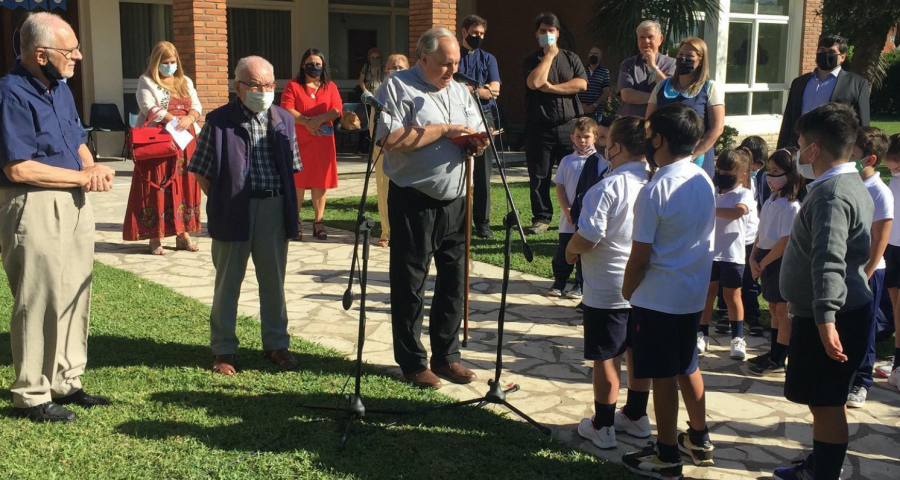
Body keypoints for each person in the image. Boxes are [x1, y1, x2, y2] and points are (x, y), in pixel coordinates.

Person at [0, 12, 116, 423]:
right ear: (41, 53)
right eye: (71, 51)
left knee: (73, 291)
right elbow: (19, 167)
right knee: (37, 298)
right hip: (34, 204)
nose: (79, 57)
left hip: (73, 201)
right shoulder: (11, 93)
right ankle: (31, 393)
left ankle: (66, 380)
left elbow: (77, 138)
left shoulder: (61, 88)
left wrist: (92, 167)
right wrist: (81, 176)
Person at [374, 28, 488, 390]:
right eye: (444, 64)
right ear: (423, 58)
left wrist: (476, 143)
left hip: (455, 197)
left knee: (453, 281)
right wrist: (441, 130)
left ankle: (447, 355)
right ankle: (412, 361)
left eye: (455, 63)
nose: (451, 70)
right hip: (414, 198)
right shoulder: (397, 87)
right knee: (410, 283)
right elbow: (388, 139)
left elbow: (474, 128)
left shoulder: (459, 90)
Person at [774, 103, 872, 480]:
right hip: (836, 311)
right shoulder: (848, 183)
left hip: (832, 317)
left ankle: (825, 473)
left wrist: (826, 318)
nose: (798, 151)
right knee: (825, 401)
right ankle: (823, 462)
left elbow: (828, 258)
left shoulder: (832, 194)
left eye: (800, 144)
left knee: (827, 402)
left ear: (814, 149)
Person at [187, 56, 303, 376]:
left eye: (268, 85)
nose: (263, 91)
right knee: (227, 283)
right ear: (238, 87)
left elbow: (292, 169)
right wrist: (225, 198)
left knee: (273, 282)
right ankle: (224, 350)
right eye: (255, 85)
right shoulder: (219, 120)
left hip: (273, 208)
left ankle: (276, 345)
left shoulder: (283, 120)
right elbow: (201, 170)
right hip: (233, 208)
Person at [621, 104, 715, 478]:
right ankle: (699, 436)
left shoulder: (655, 188)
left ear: (658, 139)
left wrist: (628, 290)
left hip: (658, 298)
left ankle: (666, 454)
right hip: (691, 295)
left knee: (663, 376)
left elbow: (640, 256)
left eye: (649, 133)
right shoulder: (702, 179)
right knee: (687, 365)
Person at [566, 116, 653, 450]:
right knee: (636, 351)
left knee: (607, 355)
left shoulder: (608, 186)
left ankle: (603, 424)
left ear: (615, 146)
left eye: (606, 140)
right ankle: (635, 415)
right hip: (644, 284)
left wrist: (571, 251)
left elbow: (589, 235)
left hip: (608, 285)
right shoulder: (654, 181)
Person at [125, 41, 203, 255]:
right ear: (156, 62)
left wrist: (189, 118)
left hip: (185, 142)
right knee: (157, 186)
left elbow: (197, 105)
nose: (170, 65)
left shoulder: (185, 81)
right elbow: (148, 106)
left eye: (173, 61)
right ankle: (154, 237)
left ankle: (183, 234)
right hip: (159, 141)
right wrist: (174, 120)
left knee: (184, 186)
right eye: (166, 62)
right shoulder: (146, 81)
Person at [522, 12, 588, 235]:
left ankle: (576, 213)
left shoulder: (571, 58)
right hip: (540, 127)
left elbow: (581, 84)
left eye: (551, 31)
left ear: (558, 33)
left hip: (570, 126)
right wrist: (548, 56)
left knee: (575, 172)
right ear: (536, 34)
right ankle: (542, 217)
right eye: (543, 31)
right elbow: (534, 82)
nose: (547, 35)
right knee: (539, 175)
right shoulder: (532, 60)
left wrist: (552, 89)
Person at [847, 127, 894, 409]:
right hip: (846, 266)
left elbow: (880, 239)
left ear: (870, 159)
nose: (848, 159)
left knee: (865, 328)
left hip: (869, 272)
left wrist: (866, 273)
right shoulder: (851, 185)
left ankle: (862, 381)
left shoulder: (880, 192)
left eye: (853, 155)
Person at [747, 148, 804, 377]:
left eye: (776, 171)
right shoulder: (771, 199)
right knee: (772, 307)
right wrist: (753, 257)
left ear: (790, 174)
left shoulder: (791, 206)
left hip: (778, 260)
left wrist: (764, 262)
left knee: (782, 310)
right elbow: (761, 232)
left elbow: (784, 241)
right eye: (769, 171)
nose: (770, 177)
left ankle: (779, 358)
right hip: (763, 257)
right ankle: (772, 352)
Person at [698, 149, 754, 361]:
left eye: (727, 171)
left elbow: (738, 212)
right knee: (708, 294)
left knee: (732, 296)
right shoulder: (713, 192)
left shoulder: (744, 194)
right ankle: (702, 333)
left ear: (741, 175)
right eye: (719, 170)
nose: (722, 174)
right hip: (709, 252)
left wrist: (709, 209)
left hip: (732, 254)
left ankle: (737, 338)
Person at [281, 49, 343, 241]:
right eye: (310, 63)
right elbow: (287, 108)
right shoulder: (293, 85)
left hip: (323, 141)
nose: (314, 67)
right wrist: (309, 122)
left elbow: (337, 109)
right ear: (302, 64)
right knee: (299, 181)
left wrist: (321, 118)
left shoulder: (329, 86)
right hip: (300, 140)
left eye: (318, 64)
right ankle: (296, 221)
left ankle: (319, 222)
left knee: (320, 181)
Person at [646, 37, 724, 177]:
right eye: (681, 55)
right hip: (664, 159)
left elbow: (717, 128)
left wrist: (691, 156)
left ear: (700, 61)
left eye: (690, 56)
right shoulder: (661, 86)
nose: (683, 59)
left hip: (697, 161)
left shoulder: (710, 87)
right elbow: (648, 123)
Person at [777, 35, 870, 149]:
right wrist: (781, 151)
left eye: (831, 51)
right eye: (822, 50)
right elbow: (788, 119)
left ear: (842, 57)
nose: (825, 54)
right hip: (799, 148)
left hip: (834, 150)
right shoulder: (799, 83)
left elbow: (863, 125)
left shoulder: (856, 84)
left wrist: (860, 157)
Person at [549, 117, 606, 301]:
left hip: (586, 216)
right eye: (579, 136)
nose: (582, 140)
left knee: (583, 254)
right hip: (569, 218)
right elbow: (560, 187)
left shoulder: (599, 161)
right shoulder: (567, 161)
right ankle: (559, 281)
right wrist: (566, 210)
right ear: (572, 137)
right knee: (563, 250)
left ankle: (579, 284)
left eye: (587, 136)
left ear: (595, 138)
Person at [458, 14, 501, 239]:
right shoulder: (454, 56)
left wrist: (471, 90)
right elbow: (451, 89)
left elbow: (495, 90)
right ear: (464, 32)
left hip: (485, 117)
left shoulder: (488, 59)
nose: (479, 37)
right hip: (458, 118)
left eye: (482, 34)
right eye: (475, 33)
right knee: (458, 171)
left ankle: (482, 223)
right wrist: (481, 90)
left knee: (483, 173)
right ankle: (458, 220)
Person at [372, 53, 410, 248]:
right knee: (384, 190)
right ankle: (386, 232)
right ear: (386, 71)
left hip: (408, 150)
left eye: (401, 68)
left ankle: (404, 230)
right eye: (393, 67)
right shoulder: (380, 93)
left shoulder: (412, 92)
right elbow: (374, 125)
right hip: (384, 151)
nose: (396, 71)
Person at [617, 20, 676, 118]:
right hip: (631, 124)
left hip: (659, 122)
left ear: (660, 39)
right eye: (642, 38)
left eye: (650, 37)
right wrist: (658, 97)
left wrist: (653, 66)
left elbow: (668, 91)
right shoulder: (628, 64)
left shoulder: (671, 64)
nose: (646, 41)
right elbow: (627, 95)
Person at [879, 134, 900, 391]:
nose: (893, 170)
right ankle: (896, 362)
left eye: (896, 165)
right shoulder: (892, 181)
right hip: (892, 248)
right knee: (895, 307)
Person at [357, 48, 385, 153]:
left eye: (377, 58)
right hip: (368, 98)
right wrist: (365, 91)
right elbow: (361, 81)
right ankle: (363, 148)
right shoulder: (366, 67)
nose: (375, 59)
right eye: (373, 58)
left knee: (377, 123)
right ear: (369, 58)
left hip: (379, 98)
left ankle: (376, 147)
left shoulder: (383, 68)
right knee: (366, 123)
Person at [579, 46, 611, 123]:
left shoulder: (604, 72)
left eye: (596, 54)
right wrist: (581, 105)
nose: (593, 55)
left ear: (600, 57)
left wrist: (594, 105)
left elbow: (606, 92)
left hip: (596, 111)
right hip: (581, 109)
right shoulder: (581, 70)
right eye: (591, 53)